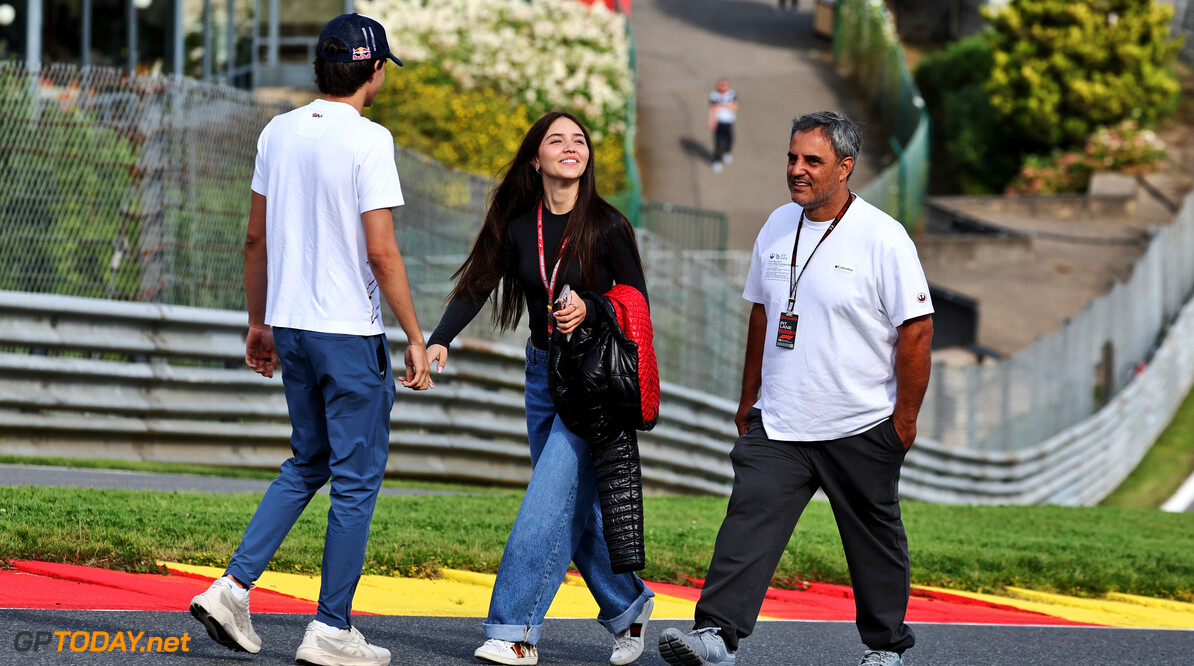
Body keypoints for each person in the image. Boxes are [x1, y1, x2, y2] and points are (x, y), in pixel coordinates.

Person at [188, 13, 431, 666]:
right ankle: (330, 629)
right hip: (349, 334)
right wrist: (414, 335)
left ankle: (232, 588)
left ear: (322, 68)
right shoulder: (370, 140)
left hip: (291, 325)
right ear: (374, 70)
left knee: (307, 462)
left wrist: (259, 321)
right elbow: (382, 253)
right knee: (356, 481)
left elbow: (254, 238)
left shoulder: (278, 131)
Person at [657, 111, 933, 666]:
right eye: (792, 157)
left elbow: (917, 330)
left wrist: (902, 423)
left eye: (813, 160)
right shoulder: (777, 225)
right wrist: (748, 399)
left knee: (873, 542)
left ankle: (885, 650)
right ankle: (714, 635)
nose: (797, 170)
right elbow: (763, 316)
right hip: (779, 420)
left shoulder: (884, 237)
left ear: (845, 167)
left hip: (860, 423)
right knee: (746, 524)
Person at [425, 111, 656, 666]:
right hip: (541, 374)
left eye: (579, 140)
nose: (570, 146)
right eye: (557, 139)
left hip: (593, 382)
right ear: (537, 158)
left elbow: (637, 304)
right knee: (569, 512)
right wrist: (440, 340)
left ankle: (516, 631)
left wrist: (594, 305)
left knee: (546, 503)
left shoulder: (607, 226)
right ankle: (629, 606)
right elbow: (479, 281)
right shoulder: (516, 222)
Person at [709, 78, 738, 174]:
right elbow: (712, 109)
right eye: (721, 85)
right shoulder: (714, 95)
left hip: (728, 122)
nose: (723, 87)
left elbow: (734, 107)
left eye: (725, 85)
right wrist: (711, 122)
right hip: (718, 122)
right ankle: (717, 160)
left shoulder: (731, 94)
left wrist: (721, 105)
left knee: (730, 140)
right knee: (718, 143)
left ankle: (726, 152)